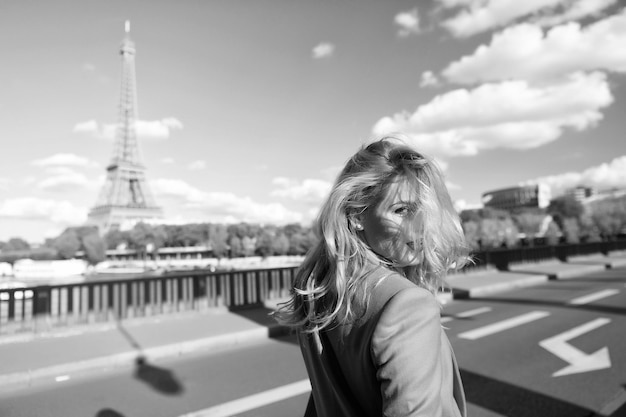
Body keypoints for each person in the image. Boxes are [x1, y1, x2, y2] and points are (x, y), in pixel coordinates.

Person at [274, 135, 469, 417]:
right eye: (402, 210)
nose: (422, 226)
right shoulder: (407, 303)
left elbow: (324, 399)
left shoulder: (317, 290)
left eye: (424, 211)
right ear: (356, 214)